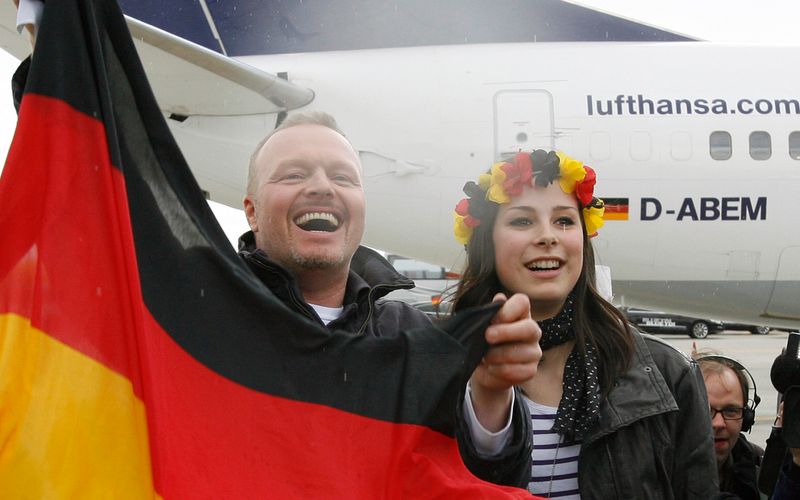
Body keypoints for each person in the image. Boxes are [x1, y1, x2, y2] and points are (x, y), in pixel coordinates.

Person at [239, 111, 541, 486]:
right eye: (294, 175)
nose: (322, 187)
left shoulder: (411, 335)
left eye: (342, 177)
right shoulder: (201, 323)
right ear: (252, 211)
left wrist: (490, 397)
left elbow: (481, 487)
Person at [450, 149, 718, 498]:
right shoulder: (436, 371)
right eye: (522, 221)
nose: (548, 236)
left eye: (564, 221)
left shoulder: (669, 375)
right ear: (487, 244)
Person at [693, 352, 764, 500]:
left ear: (747, 418)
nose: (718, 424)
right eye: (706, 410)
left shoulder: (757, 465)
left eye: (731, 411)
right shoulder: (659, 473)